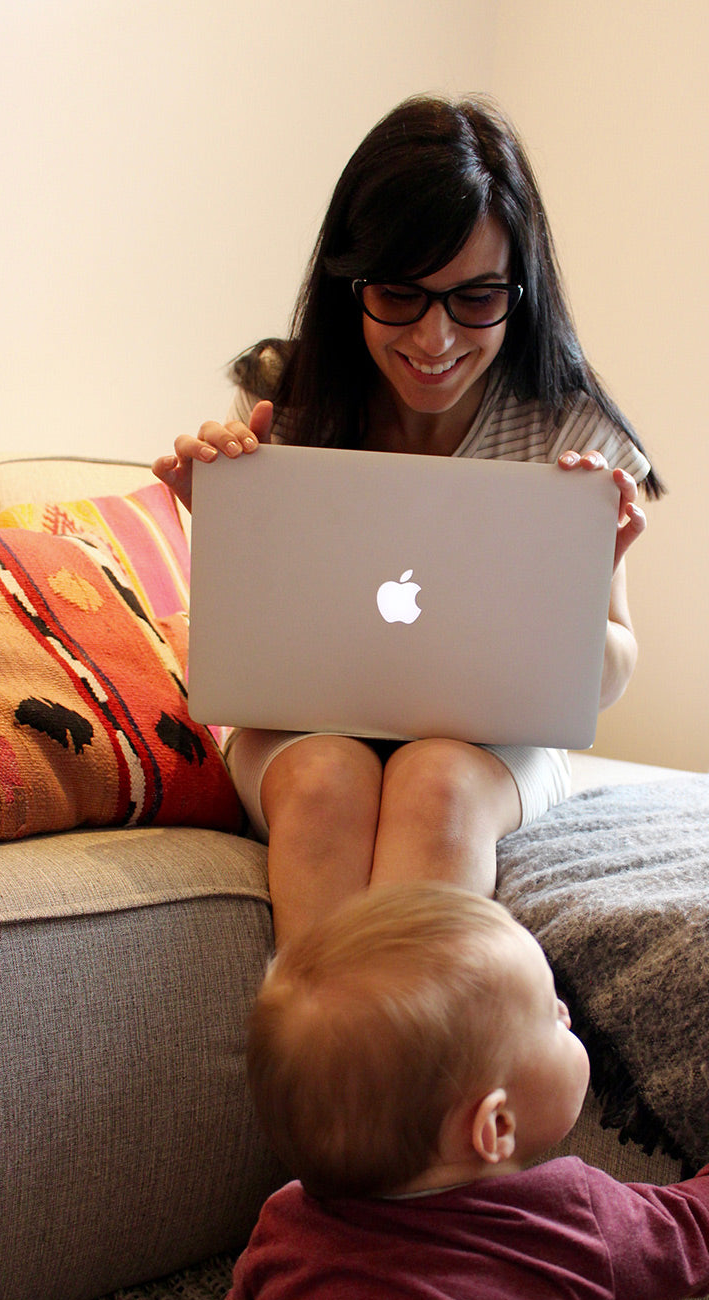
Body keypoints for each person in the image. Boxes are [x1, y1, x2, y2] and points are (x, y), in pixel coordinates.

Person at [153, 95, 663, 947]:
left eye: (476, 299)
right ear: (349, 284)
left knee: (437, 783)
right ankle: (337, 1074)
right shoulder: (292, 397)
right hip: (303, 731)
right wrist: (232, 520)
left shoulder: (566, 427)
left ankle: (397, 1075)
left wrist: (581, 579)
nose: (434, 338)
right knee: (324, 781)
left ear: (520, 290)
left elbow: (608, 680)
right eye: (400, 295)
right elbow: (247, 655)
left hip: (493, 750)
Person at [214, 882, 709, 1300]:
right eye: (549, 1015)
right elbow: (698, 1232)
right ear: (495, 1127)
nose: (567, 1011)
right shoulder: (564, 1216)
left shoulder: (285, 1220)